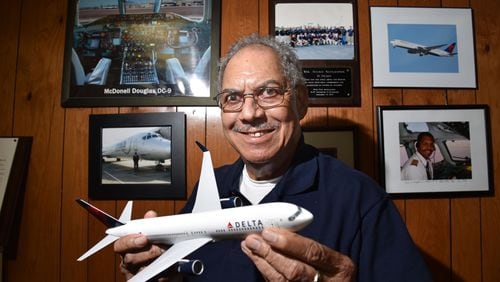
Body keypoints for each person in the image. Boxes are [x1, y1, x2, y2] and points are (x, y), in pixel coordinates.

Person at [114, 34, 432, 281]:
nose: (250, 114)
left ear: (301, 102)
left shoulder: (360, 198)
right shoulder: (211, 186)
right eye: (233, 98)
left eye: (268, 92)